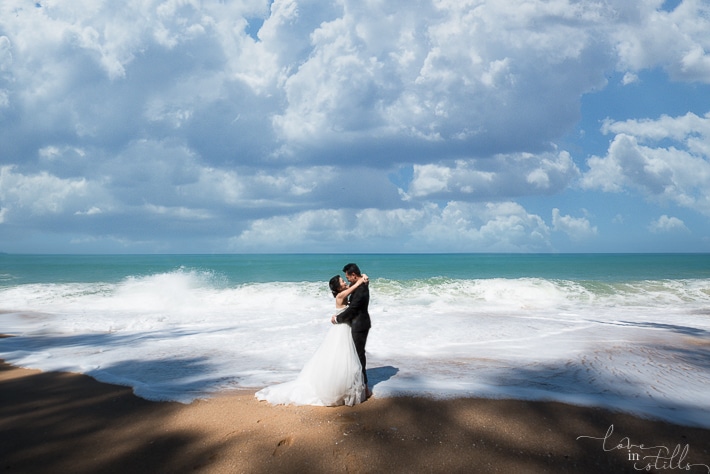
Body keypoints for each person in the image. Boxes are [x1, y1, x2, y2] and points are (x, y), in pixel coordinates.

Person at [254, 274, 368, 406]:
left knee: (344, 357)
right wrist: (361, 280)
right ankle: (339, 387)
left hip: (344, 327)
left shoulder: (342, 296)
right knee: (342, 356)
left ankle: (345, 385)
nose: (345, 282)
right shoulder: (340, 296)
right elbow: (355, 287)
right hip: (341, 329)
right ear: (338, 287)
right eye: (342, 281)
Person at [331, 263, 372, 399]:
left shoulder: (360, 288)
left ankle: (364, 387)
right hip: (356, 324)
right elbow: (353, 290)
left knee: (358, 356)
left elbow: (352, 309)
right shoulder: (359, 285)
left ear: (353, 275)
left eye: (347, 277)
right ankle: (355, 385)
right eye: (344, 280)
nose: (347, 280)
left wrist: (337, 319)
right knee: (352, 355)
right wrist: (362, 278)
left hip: (359, 325)